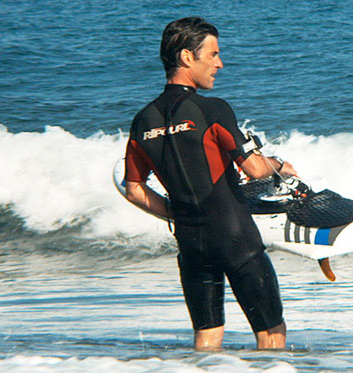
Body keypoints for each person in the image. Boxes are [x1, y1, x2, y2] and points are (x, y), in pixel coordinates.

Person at [122, 17, 297, 350]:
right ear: (188, 57)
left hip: (191, 244)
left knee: (207, 337)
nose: (220, 63)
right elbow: (256, 169)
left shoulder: (142, 121)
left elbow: (134, 190)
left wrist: (176, 213)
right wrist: (280, 166)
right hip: (235, 239)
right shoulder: (212, 110)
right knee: (271, 333)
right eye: (213, 54)